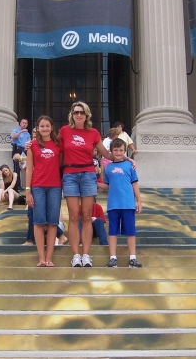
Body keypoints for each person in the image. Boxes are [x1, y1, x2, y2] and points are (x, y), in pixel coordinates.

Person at [59, 101, 136, 268]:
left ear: (86, 115)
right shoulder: (64, 131)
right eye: (76, 112)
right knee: (73, 216)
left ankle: (86, 255)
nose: (78, 115)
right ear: (72, 115)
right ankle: (76, 255)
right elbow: (55, 149)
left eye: (82, 112)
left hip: (88, 175)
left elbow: (108, 154)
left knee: (87, 216)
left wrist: (126, 158)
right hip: (70, 175)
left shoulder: (93, 133)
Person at [98, 138, 142, 268]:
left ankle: (133, 258)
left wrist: (139, 201)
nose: (118, 153)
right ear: (111, 151)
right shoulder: (108, 168)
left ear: (125, 151)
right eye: (115, 150)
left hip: (128, 204)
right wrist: (95, 184)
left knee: (130, 231)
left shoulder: (130, 166)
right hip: (113, 205)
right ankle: (113, 258)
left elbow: (135, 184)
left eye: (121, 150)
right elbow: (107, 185)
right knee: (112, 232)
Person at [25, 115, 62, 267]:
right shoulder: (32, 145)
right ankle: (41, 258)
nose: (45, 128)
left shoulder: (59, 144)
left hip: (55, 186)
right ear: (38, 128)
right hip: (38, 186)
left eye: (47, 125)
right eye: (42, 126)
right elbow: (28, 169)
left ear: (52, 127)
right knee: (38, 221)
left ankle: (49, 257)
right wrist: (28, 190)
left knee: (53, 222)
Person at [10, 118, 31, 188]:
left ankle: (27, 184)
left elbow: (29, 142)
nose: (24, 124)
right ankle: (17, 185)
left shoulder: (27, 134)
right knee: (17, 168)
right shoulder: (16, 130)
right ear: (20, 123)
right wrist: (21, 132)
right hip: (17, 149)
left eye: (26, 123)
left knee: (26, 166)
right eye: (23, 123)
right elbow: (12, 137)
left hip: (25, 150)